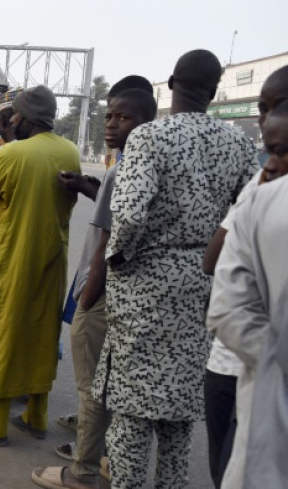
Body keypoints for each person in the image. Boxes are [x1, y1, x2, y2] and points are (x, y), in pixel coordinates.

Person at [92, 50, 257, 489]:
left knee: (130, 415)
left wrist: (119, 258)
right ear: (215, 89)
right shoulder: (239, 144)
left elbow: (127, 216)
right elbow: (245, 215)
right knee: (179, 414)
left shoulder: (149, 137)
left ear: (169, 84)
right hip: (202, 281)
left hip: (146, 282)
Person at [31, 86, 156, 489]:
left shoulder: (127, 168)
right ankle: (102, 453)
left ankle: (82, 469)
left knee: (91, 384)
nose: (112, 124)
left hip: (101, 289)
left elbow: (109, 242)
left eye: (124, 117)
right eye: (109, 116)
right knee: (108, 380)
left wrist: (87, 298)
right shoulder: (137, 165)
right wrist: (87, 187)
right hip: (125, 293)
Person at [0, 85, 80, 447]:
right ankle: (36, 415)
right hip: (53, 258)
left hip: (12, 259)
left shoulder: (12, 154)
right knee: (41, 335)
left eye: (13, 115)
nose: (10, 120)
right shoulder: (71, 151)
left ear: (21, 117)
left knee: (3, 335)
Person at [200, 65, 288, 489]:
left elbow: (214, 263)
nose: (264, 119)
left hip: (241, 367)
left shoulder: (263, 197)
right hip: (234, 366)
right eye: (262, 108)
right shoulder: (260, 187)